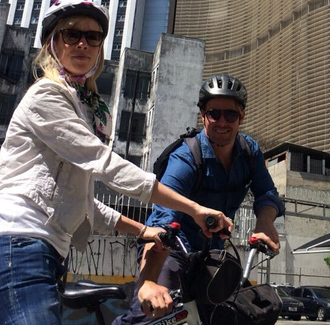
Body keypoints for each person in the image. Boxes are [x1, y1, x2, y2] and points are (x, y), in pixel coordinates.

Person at [0, 0, 232, 325]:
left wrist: (145, 231)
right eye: (71, 34)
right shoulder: (47, 95)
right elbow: (106, 165)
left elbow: (88, 204)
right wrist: (195, 209)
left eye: (93, 37)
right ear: (52, 43)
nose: (82, 44)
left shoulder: (82, 106)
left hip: (37, 252)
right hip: (14, 246)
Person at [115, 73, 285, 325]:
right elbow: (162, 221)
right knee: (154, 314)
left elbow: (267, 194)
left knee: (235, 314)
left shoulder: (250, 152)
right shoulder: (186, 158)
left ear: (242, 117)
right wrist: (149, 281)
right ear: (203, 115)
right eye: (214, 113)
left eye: (231, 115)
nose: (222, 122)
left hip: (212, 252)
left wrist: (265, 222)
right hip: (172, 249)